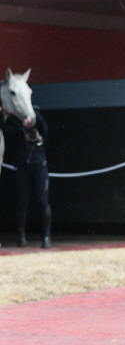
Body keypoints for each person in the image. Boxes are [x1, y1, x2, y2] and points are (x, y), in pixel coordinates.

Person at [2, 103, 51, 248]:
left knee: (43, 202)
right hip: (23, 167)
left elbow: (45, 128)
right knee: (22, 203)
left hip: (39, 166)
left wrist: (34, 115)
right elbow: (5, 130)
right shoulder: (18, 130)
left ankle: (46, 237)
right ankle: (21, 237)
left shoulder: (40, 128)